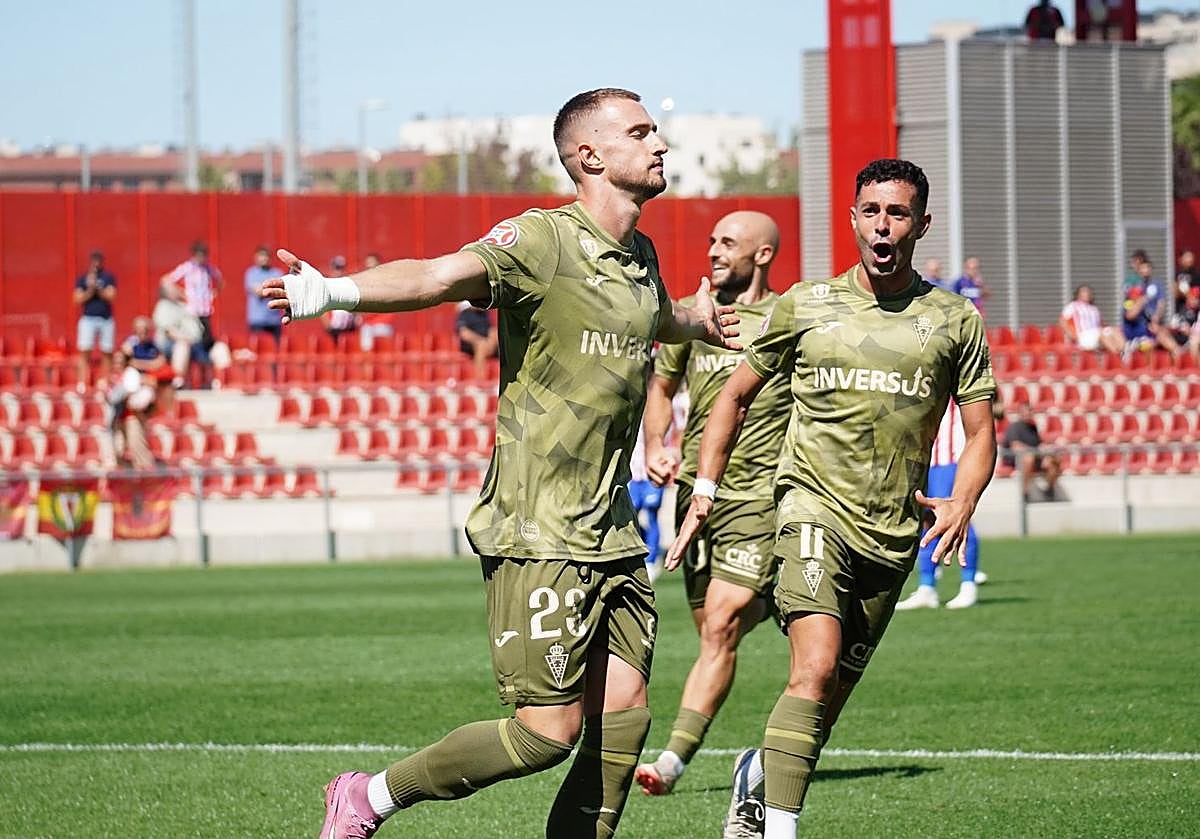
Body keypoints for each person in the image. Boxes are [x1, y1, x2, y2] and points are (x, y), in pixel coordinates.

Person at [262, 87, 740, 839]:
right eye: (640, 132)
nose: (660, 144)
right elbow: (436, 277)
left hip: (612, 531)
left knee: (624, 718)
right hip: (536, 525)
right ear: (590, 156)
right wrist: (332, 292)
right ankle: (368, 796)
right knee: (544, 735)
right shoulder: (541, 240)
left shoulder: (640, 256)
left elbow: (657, 315)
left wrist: (695, 320)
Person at [665, 159, 997, 839]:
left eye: (897, 213)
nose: (883, 225)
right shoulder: (807, 303)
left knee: (827, 698)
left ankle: (760, 776)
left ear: (921, 224)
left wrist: (963, 498)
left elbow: (981, 431)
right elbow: (734, 395)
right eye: (871, 211)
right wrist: (705, 487)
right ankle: (780, 829)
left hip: (893, 530)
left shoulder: (954, 319)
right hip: (809, 509)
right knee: (813, 668)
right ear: (852, 220)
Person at [633, 210, 792, 800]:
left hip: (758, 496)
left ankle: (672, 760)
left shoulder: (786, 319)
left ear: (763, 254)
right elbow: (660, 388)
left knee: (721, 625)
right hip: (695, 499)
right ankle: (777, 599)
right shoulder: (696, 314)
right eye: (711, 241)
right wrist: (656, 444)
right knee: (712, 634)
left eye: (728, 242)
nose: (714, 251)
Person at [895, 402, 984, 610]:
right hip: (924, 459)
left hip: (949, 458)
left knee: (957, 517)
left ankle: (968, 584)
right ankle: (927, 587)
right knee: (926, 522)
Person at [161, 241, 222, 353]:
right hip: (191, 311)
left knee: (206, 340)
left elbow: (220, 280)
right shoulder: (187, 268)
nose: (201, 258)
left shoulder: (208, 269)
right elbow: (167, 280)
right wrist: (181, 294)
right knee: (193, 338)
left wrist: (214, 292)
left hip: (205, 310)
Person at [1001, 400, 1061, 502]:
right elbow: (1016, 447)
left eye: (1030, 410)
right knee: (1029, 458)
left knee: (1053, 461)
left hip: (1034, 457)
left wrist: (1045, 451)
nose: (1028, 413)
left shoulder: (1033, 428)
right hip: (1016, 460)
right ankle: (1024, 493)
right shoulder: (1014, 427)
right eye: (1025, 411)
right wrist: (1036, 451)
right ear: (1020, 412)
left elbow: (1039, 444)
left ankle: (1049, 489)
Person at [73, 250, 117, 389]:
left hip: (106, 319)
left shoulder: (108, 278)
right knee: (85, 350)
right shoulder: (82, 279)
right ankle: (82, 382)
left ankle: (105, 381)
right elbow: (77, 299)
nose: (96, 264)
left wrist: (99, 289)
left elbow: (111, 296)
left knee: (107, 350)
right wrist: (90, 290)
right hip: (88, 318)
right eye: (94, 261)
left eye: (99, 261)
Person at [153, 282, 208, 390]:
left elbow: (198, 328)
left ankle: (217, 382)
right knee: (182, 346)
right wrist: (187, 339)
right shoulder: (163, 306)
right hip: (168, 345)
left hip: (194, 344)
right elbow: (169, 332)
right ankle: (177, 379)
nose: (177, 290)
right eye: (173, 289)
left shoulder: (185, 306)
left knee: (219, 349)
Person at [1122, 260, 1179, 360]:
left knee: (1163, 333)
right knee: (1149, 343)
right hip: (1136, 335)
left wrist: (1155, 319)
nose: (1145, 270)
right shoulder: (1131, 297)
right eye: (1143, 268)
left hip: (1149, 328)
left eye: (1148, 268)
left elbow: (1160, 305)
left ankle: (1179, 356)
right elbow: (1130, 315)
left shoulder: (1155, 286)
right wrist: (1141, 300)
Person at [1060, 284, 1124, 354]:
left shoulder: (1094, 309)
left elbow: (1100, 325)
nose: (1087, 294)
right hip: (1083, 336)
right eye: (1084, 292)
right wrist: (1072, 335)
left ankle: (1124, 351)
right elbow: (1063, 321)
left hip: (1097, 333)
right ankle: (1117, 355)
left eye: (1088, 292)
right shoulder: (1073, 305)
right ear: (1078, 294)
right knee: (1103, 334)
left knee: (1113, 330)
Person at [245, 246, 284, 345]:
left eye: (266, 256)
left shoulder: (277, 273)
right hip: (257, 320)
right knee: (257, 348)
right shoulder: (251, 273)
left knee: (276, 349)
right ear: (256, 257)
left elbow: (281, 291)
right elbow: (257, 291)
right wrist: (272, 290)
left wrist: (263, 289)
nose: (264, 258)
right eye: (261, 256)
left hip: (274, 320)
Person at [358, 253, 396, 351]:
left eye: (373, 265)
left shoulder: (386, 283)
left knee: (385, 350)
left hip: (383, 324)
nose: (370, 268)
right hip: (368, 326)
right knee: (366, 346)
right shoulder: (363, 284)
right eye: (368, 266)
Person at [454, 300, 498, 379]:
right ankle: (480, 378)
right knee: (481, 346)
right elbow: (464, 333)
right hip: (470, 344)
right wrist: (480, 340)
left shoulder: (484, 314)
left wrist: (491, 341)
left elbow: (490, 329)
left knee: (499, 338)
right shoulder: (465, 314)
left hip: (486, 342)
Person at [323, 255, 360, 344]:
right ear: (332, 269)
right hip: (334, 328)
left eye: (341, 268)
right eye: (337, 268)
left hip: (349, 327)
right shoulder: (328, 285)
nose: (339, 271)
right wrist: (327, 324)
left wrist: (356, 317)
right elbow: (323, 307)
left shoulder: (349, 285)